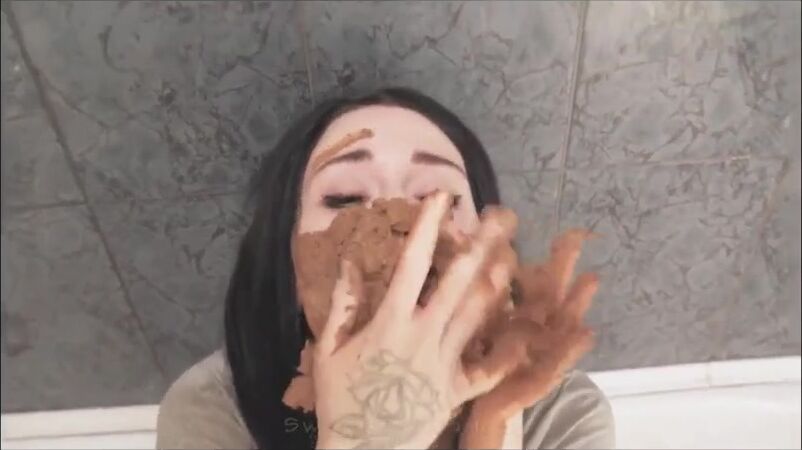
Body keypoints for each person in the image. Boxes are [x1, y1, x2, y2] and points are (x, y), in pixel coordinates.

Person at [156, 87, 615, 449]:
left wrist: (492, 426)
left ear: (492, 249)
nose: (403, 224)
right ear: (287, 264)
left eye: (439, 198)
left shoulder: (563, 411)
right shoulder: (212, 408)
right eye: (345, 199)